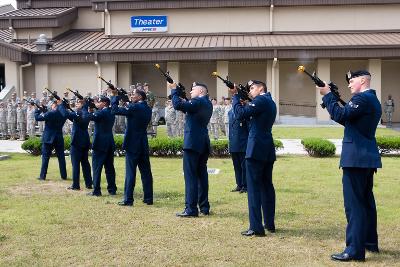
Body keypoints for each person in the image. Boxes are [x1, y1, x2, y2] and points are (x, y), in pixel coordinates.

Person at [317, 70, 382, 262]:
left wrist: (328, 95)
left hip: (356, 158)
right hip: (365, 157)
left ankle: (354, 250)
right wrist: (333, 100)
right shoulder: (370, 99)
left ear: (363, 81)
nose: (349, 85)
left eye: (352, 81)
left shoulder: (362, 99)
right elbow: (349, 120)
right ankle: (369, 242)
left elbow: (341, 114)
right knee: (366, 203)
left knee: (354, 205)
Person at [230, 80, 277, 237]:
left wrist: (235, 97)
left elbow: (240, 114)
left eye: (252, 88)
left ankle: (256, 227)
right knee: (266, 186)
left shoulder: (261, 100)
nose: (250, 91)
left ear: (261, 88)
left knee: (254, 188)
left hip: (256, 148)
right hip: (266, 148)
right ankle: (269, 223)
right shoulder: (269, 101)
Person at [170, 82, 212, 217]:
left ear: (201, 92)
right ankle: (204, 207)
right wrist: (183, 98)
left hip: (193, 143)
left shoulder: (198, 102)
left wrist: (174, 91)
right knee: (201, 175)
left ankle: (191, 209)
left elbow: (177, 105)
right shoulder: (206, 103)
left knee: (190, 176)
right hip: (202, 142)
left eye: (193, 90)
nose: (191, 92)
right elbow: (187, 108)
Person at [111, 89, 154, 206]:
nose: (131, 96)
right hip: (143, 143)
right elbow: (131, 109)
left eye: (133, 94)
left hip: (132, 144)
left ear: (140, 96)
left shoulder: (135, 107)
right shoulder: (147, 108)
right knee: (146, 172)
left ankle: (128, 199)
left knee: (130, 173)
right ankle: (148, 198)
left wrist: (114, 97)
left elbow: (114, 110)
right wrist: (125, 100)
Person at [86, 96, 117, 196]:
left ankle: (96, 190)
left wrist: (88, 110)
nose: (97, 103)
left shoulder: (101, 112)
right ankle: (112, 189)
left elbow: (89, 117)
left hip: (100, 144)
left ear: (104, 103)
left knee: (96, 168)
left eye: (98, 102)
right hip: (109, 142)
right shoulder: (111, 112)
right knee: (109, 168)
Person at [59, 99, 93, 190]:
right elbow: (74, 119)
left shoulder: (78, 113)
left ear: (82, 104)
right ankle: (89, 183)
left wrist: (61, 105)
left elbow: (65, 114)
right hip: (85, 141)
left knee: (75, 164)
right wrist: (68, 107)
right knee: (85, 163)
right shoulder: (85, 113)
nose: (76, 104)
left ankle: (75, 185)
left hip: (77, 142)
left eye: (78, 103)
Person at [34, 99, 68, 180]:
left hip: (49, 137)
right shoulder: (63, 114)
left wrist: (37, 110)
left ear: (54, 106)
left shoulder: (50, 113)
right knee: (61, 157)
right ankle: (64, 176)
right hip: (59, 137)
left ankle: (43, 176)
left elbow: (37, 118)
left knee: (45, 157)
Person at [228, 103, 248, 193]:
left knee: (244, 166)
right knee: (236, 166)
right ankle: (239, 184)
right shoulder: (230, 112)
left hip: (243, 143)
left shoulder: (244, 111)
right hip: (233, 143)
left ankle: (245, 185)